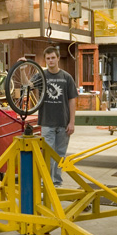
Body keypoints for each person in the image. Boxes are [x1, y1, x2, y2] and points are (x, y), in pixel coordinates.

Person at [38, 46, 78, 187]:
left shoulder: (66, 77)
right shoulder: (41, 76)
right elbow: (27, 84)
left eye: (53, 58)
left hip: (63, 123)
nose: (51, 61)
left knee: (60, 155)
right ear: (45, 60)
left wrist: (72, 122)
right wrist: (23, 68)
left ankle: (57, 182)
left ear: (58, 58)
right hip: (47, 122)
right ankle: (47, 182)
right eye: (48, 58)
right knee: (48, 156)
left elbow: (72, 100)